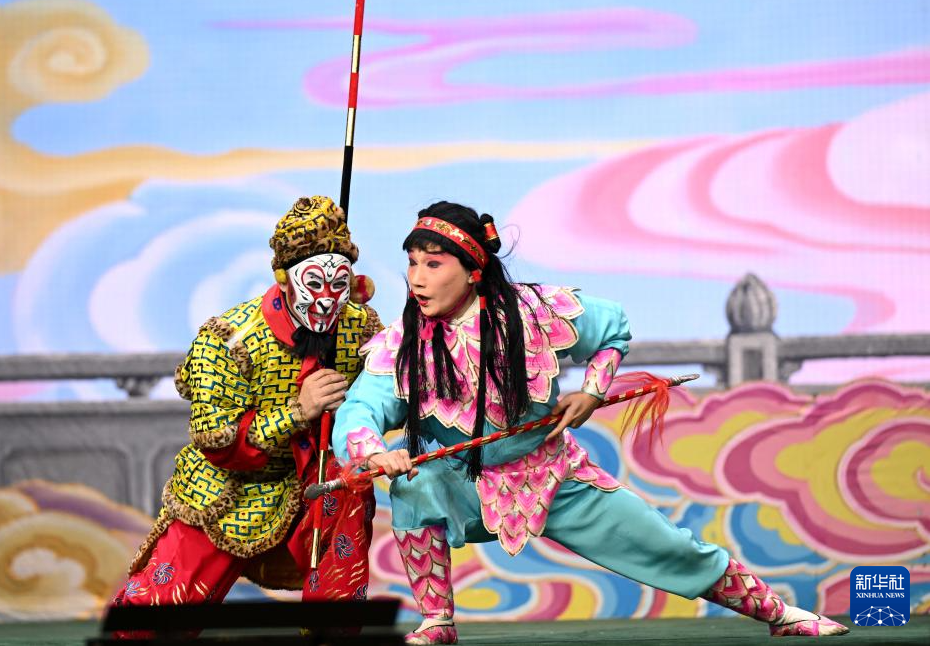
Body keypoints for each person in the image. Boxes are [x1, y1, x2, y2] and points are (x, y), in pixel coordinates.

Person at [331, 201, 849, 644]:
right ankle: (437, 619)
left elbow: (613, 328)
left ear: (472, 270)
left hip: (548, 472)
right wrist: (376, 451)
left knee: (664, 543)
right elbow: (361, 410)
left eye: (433, 264)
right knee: (416, 484)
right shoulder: (402, 343)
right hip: (460, 481)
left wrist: (592, 391)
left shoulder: (532, 312)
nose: (417, 278)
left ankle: (778, 613)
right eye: (412, 263)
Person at [113, 196, 382, 636]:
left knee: (349, 480)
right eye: (314, 282)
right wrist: (298, 411)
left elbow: (387, 389)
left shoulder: (362, 327)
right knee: (151, 620)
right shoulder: (229, 338)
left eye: (339, 284)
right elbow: (215, 437)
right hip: (230, 490)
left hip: (314, 484)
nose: (326, 299)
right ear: (284, 278)